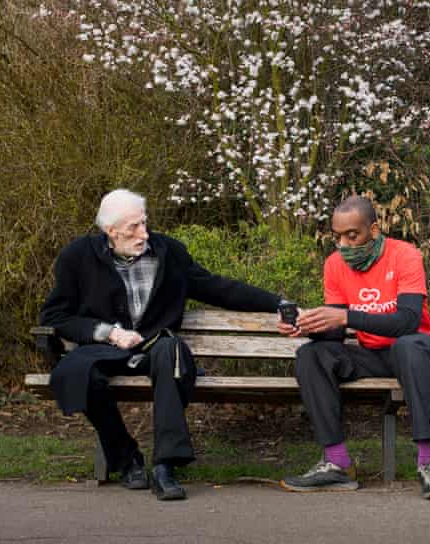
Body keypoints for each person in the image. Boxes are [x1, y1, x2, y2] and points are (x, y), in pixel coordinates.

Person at [41, 189, 287, 501]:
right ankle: (126, 458)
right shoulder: (77, 256)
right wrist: (108, 332)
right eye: (133, 227)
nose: (143, 233)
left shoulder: (169, 252)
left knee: (171, 354)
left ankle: (165, 466)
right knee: (77, 372)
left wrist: (276, 303)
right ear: (110, 231)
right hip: (105, 348)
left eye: (144, 223)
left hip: (155, 346)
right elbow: (56, 315)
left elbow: (217, 288)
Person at [278, 195, 430, 499]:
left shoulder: (405, 255)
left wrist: (347, 316)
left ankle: (429, 464)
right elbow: (335, 335)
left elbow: (408, 322)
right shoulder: (334, 265)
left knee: (407, 346)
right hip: (375, 355)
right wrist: (310, 328)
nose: (344, 245)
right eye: (337, 237)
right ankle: (337, 463)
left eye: (352, 235)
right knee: (311, 355)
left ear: (373, 230)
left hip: (423, 353)